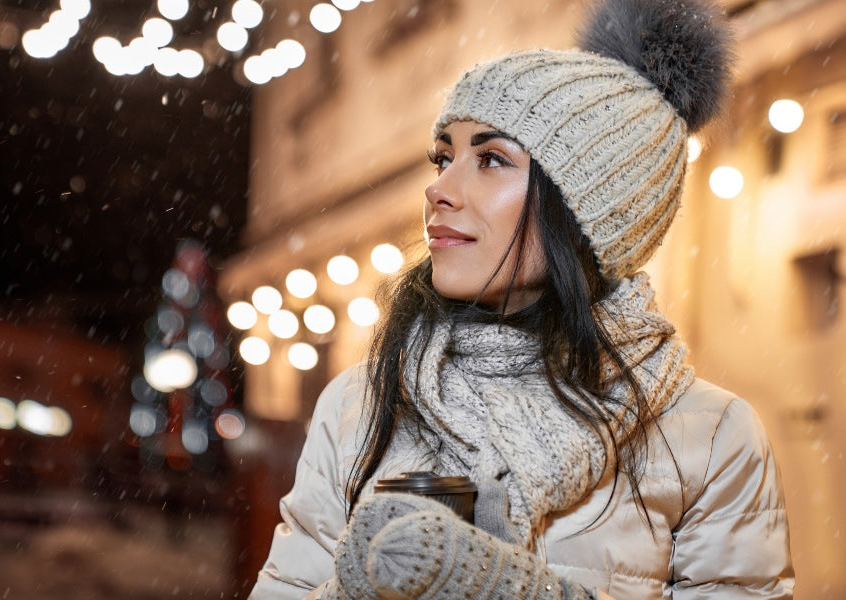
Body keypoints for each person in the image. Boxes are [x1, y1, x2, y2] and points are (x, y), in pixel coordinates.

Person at [250, 0, 794, 597]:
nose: (439, 189)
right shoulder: (361, 402)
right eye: (444, 156)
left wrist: (513, 590)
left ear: (587, 213)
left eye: (491, 159)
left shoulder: (709, 436)